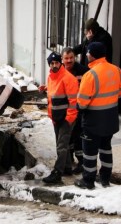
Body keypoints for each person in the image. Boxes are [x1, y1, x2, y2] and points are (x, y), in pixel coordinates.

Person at [74, 42, 121, 189]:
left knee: (89, 152)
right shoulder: (117, 70)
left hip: (93, 121)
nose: (87, 55)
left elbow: (82, 103)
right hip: (110, 119)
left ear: (91, 55)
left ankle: (88, 180)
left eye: (88, 53)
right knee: (106, 148)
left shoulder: (90, 75)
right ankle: (105, 178)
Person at [38, 52, 79, 184]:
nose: (54, 65)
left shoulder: (68, 78)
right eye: (52, 63)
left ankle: (57, 172)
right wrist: (45, 88)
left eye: (56, 63)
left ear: (60, 63)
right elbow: (54, 94)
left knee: (61, 146)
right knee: (62, 145)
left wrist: (69, 119)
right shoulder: (51, 77)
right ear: (49, 64)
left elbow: (73, 101)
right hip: (56, 117)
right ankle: (67, 167)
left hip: (66, 118)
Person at [61, 47, 89, 174]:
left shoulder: (83, 71)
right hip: (65, 110)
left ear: (75, 58)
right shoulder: (59, 71)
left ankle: (82, 161)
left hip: (79, 110)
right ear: (62, 59)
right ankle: (70, 157)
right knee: (69, 136)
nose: (69, 60)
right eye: (66, 58)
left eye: (71, 58)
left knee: (78, 135)